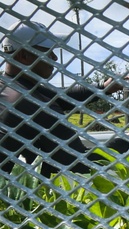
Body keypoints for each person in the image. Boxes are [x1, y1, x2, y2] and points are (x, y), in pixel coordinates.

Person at [0, 20, 112, 177]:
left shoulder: (10, 87)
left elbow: (61, 96)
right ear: (23, 56)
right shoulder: (32, 105)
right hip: (25, 198)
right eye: (48, 51)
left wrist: (104, 86)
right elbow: (82, 163)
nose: (54, 58)